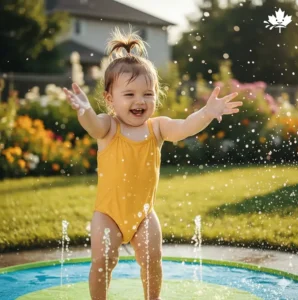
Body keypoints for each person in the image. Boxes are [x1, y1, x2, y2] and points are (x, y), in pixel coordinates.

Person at [63, 26, 242, 300]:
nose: (140, 101)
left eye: (148, 94)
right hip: (108, 214)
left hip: (144, 214)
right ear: (110, 99)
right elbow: (92, 125)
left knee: (152, 260)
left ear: (156, 96)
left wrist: (206, 112)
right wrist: (85, 110)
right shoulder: (109, 127)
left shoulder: (157, 128)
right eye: (130, 94)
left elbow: (184, 127)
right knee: (102, 262)